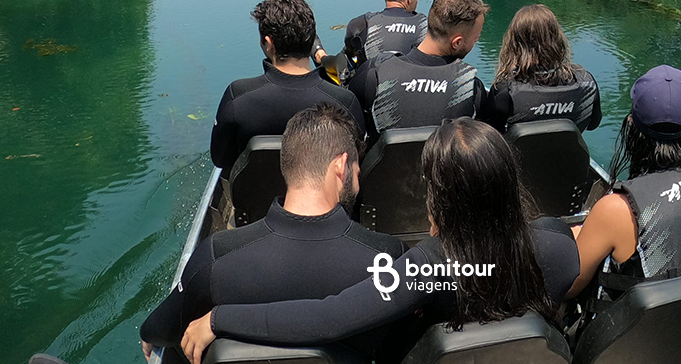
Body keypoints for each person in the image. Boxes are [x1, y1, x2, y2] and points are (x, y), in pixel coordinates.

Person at [180, 118, 581, 364]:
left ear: (439, 197)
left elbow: (327, 318)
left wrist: (219, 319)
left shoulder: (426, 267)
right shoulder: (561, 246)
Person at [141, 104, 406, 360]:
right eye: (357, 171)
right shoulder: (387, 259)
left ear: (287, 165)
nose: (358, 182)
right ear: (341, 165)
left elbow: (156, 332)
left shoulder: (216, 256)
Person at [568, 65, 681, 302]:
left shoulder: (617, 209)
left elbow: (568, 288)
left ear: (630, 125)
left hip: (635, 327)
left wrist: (575, 238)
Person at [209, 0, 365, 170]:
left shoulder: (238, 96)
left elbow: (220, 159)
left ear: (269, 43)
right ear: (310, 39)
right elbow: (356, 161)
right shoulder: (344, 101)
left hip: (258, 187)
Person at [348, 0, 487, 138]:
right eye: (476, 38)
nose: (476, 41)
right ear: (457, 43)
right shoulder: (471, 88)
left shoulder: (374, 74)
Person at [478, 4, 602, 132]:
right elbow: (593, 124)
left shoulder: (506, 89)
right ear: (557, 39)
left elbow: (489, 133)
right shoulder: (585, 82)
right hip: (570, 146)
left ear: (515, 44)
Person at [324, 0, 430, 71]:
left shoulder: (361, 23)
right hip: (411, 81)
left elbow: (348, 53)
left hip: (369, 81)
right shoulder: (424, 25)